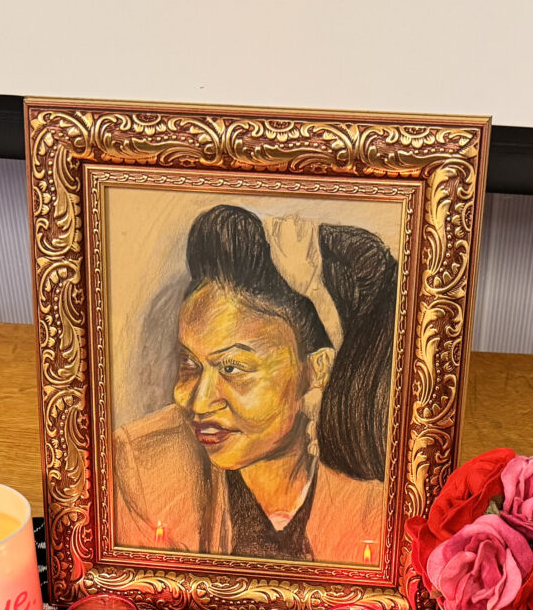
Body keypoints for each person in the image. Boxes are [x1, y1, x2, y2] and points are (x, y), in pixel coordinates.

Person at [113, 205, 396, 563]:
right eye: (189, 364)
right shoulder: (142, 470)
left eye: (232, 368)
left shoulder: (377, 501)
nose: (197, 402)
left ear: (317, 369)